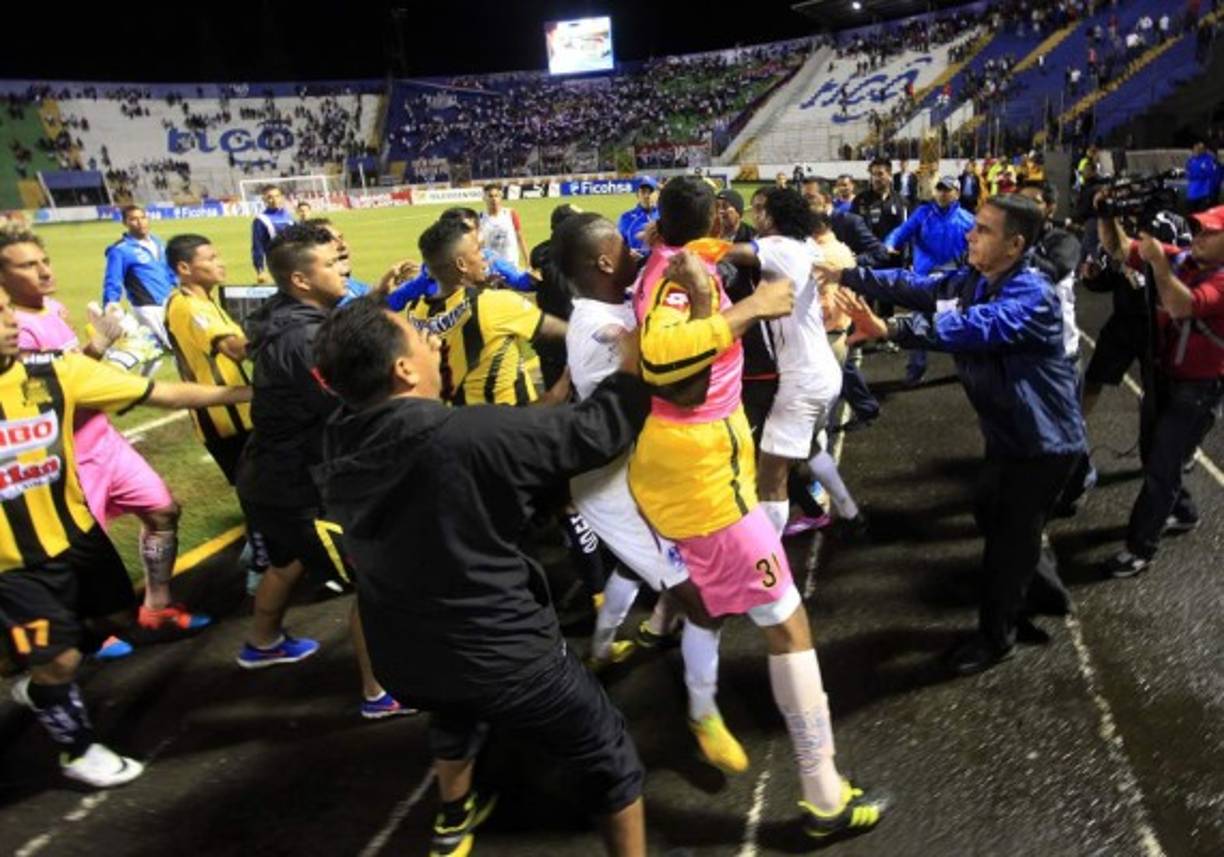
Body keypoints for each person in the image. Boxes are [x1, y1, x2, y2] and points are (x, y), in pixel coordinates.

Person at [313, 296, 649, 857]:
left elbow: (474, 465)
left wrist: (546, 405)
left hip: (406, 657)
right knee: (609, 756)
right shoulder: (467, 436)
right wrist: (632, 367)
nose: (435, 342)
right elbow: (597, 432)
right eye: (422, 337)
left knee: (454, 708)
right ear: (403, 369)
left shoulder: (337, 439)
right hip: (505, 657)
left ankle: (452, 815)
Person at [629, 176, 886, 839]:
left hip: (689, 474)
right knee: (788, 627)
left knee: (704, 603)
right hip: (706, 485)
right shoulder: (679, 277)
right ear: (712, 212)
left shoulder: (672, 259)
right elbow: (661, 360)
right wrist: (753, 309)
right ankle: (824, 797)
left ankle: (698, 699)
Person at [822, 194, 1086, 674]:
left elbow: (971, 327)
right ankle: (1042, 592)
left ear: (1015, 244)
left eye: (983, 230)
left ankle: (997, 636)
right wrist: (848, 275)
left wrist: (892, 329)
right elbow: (917, 284)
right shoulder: (975, 279)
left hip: (1043, 444)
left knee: (1007, 544)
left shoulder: (1030, 294)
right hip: (1010, 434)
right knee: (993, 514)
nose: (970, 235)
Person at [0, 286, 251, 788]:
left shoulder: (53, 370)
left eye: (7, 308)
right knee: (59, 660)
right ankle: (77, 748)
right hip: (11, 567)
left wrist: (248, 393)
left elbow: (161, 393)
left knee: (117, 619)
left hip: (76, 536)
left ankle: (38, 674)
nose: (11, 319)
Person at [552, 212, 746, 774]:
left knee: (638, 571)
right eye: (622, 243)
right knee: (704, 604)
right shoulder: (599, 330)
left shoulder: (615, 301)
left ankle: (601, 648)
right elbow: (675, 390)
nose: (634, 247)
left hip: (639, 475)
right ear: (604, 263)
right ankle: (703, 714)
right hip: (616, 489)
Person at [233, 223, 410, 719]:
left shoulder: (284, 314)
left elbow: (330, 325)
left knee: (285, 562)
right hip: (301, 487)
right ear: (301, 279)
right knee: (376, 581)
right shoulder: (304, 340)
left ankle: (263, 642)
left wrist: (373, 298)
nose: (343, 268)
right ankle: (380, 693)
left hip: (267, 477)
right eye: (332, 265)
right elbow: (346, 404)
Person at [5, 226, 208, 634]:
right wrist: (100, 350)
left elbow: (79, 374)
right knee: (73, 548)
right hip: (68, 456)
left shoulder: (54, 310)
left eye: (44, 261)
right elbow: (43, 395)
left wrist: (101, 353)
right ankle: (79, 638)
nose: (45, 271)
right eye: (30, 266)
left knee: (162, 511)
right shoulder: (14, 330)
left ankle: (157, 605)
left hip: (105, 440)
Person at [1096, 203, 1224, 577]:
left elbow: (1181, 304)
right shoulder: (1186, 259)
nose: (1199, 237)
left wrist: (1160, 265)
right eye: (1198, 229)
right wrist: (1107, 215)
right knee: (1155, 453)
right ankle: (1182, 511)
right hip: (1167, 376)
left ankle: (1140, 549)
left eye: (1210, 233)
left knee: (1162, 468)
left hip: (1199, 389)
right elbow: (1120, 249)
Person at [408, 217, 567, 408]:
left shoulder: (415, 312)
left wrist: (479, 288)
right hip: (510, 424)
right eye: (478, 250)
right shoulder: (496, 304)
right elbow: (570, 332)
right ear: (462, 264)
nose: (485, 256)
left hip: (453, 422)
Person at [884, 175, 976, 386]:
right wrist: (889, 242)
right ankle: (915, 371)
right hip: (924, 280)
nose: (943, 193)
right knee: (919, 325)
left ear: (957, 193)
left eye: (948, 189)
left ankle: (968, 370)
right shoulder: (922, 214)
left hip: (954, 282)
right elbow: (901, 231)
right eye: (940, 189)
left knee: (959, 326)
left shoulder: (968, 220)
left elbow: (979, 246)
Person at [101, 204, 174, 348]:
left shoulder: (158, 242)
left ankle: (126, 368)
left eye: (143, 217)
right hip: (148, 306)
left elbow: (169, 271)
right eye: (134, 219)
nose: (140, 222)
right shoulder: (120, 250)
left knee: (152, 351)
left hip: (169, 302)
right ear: (125, 223)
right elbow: (112, 280)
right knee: (175, 347)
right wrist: (110, 304)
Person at [251, 185, 295, 285]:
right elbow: (257, 246)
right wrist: (260, 270)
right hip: (277, 263)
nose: (274, 200)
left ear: (282, 197)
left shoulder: (289, 217)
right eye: (270, 197)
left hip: (294, 261)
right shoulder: (261, 220)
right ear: (264, 199)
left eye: (277, 196)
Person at [479, 184, 530, 269]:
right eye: (490, 196)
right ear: (484, 198)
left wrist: (528, 263)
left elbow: (520, 239)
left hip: (511, 265)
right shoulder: (480, 218)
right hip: (492, 267)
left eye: (496, 196)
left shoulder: (510, 214)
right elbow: (478, 245)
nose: (494, 199)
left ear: (500, 197)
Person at [617, 177, 660, 257]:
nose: (647, 196)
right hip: (635, 265)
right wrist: (628, 252)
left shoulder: (665, 215)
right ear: (637, 195)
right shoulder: (626, 218)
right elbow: (618, 245)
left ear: (657, 194)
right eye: (643, 192)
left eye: (650, 192)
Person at [1186, 141, 1221, 214]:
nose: (1196, 150)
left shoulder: (1208, 160)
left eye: (1199, 148)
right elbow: (1188, 174)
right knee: (1191, 217)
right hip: (1192, 194)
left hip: (1203, 194)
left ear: (1203, 150)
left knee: (1203, 216)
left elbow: (1211, 175)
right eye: (1194, 149)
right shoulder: (1190, 160)